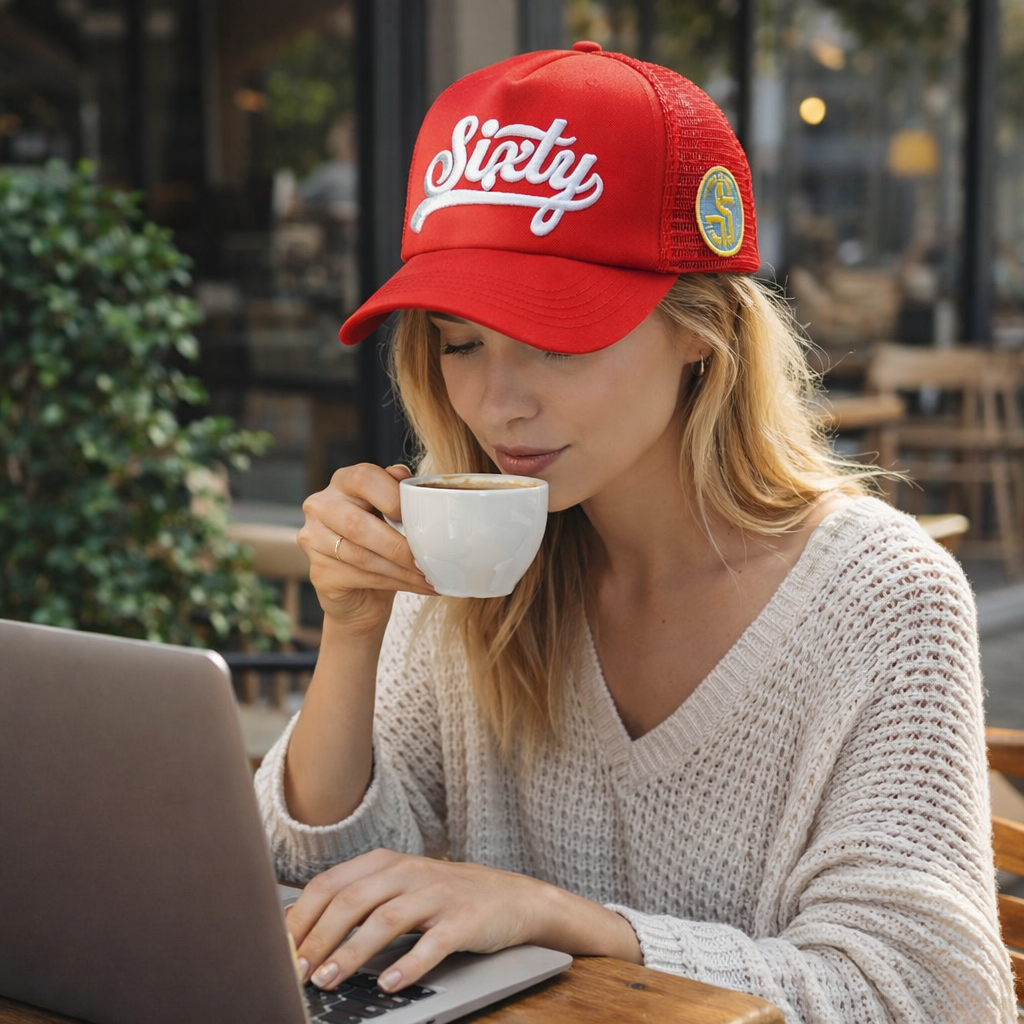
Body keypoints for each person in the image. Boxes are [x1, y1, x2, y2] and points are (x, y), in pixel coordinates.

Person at [254, 43, 1015, 1024]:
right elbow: (319, 897)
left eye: (555, 340)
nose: (497, 402)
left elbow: (925, 996)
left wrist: (565, 921)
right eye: (460, 342)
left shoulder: (882, 596)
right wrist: (353, 629)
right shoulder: (469, 561)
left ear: (701, 329)